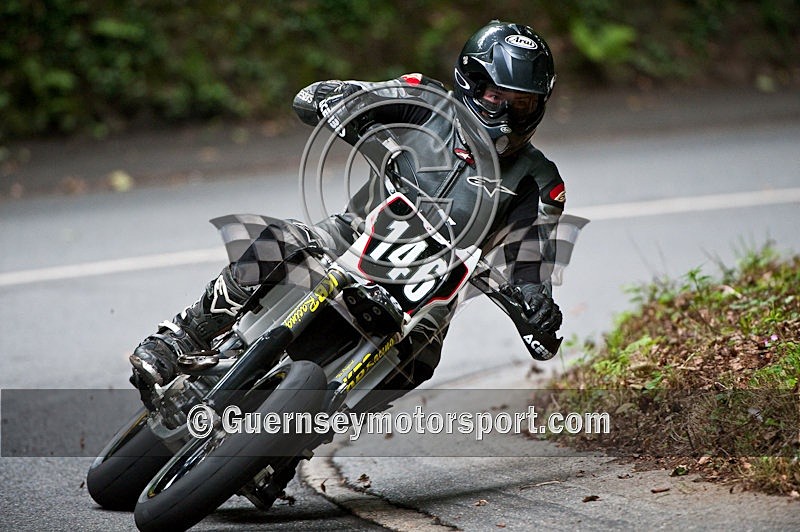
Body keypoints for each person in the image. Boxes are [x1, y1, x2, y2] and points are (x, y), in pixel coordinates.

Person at [129, 20, 567, 408]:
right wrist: (335, 99)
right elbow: (329, 97)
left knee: (418, 362)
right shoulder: (425, 100)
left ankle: (297, 440)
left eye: (522, 104)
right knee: (277, 243)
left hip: (431, 293)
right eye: (497, 96)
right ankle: (180, 338)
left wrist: (536, 305)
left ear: (539, 107)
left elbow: (531, 262)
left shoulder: (539, 181)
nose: (507, 114)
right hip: (351, 237)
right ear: (470, 82)